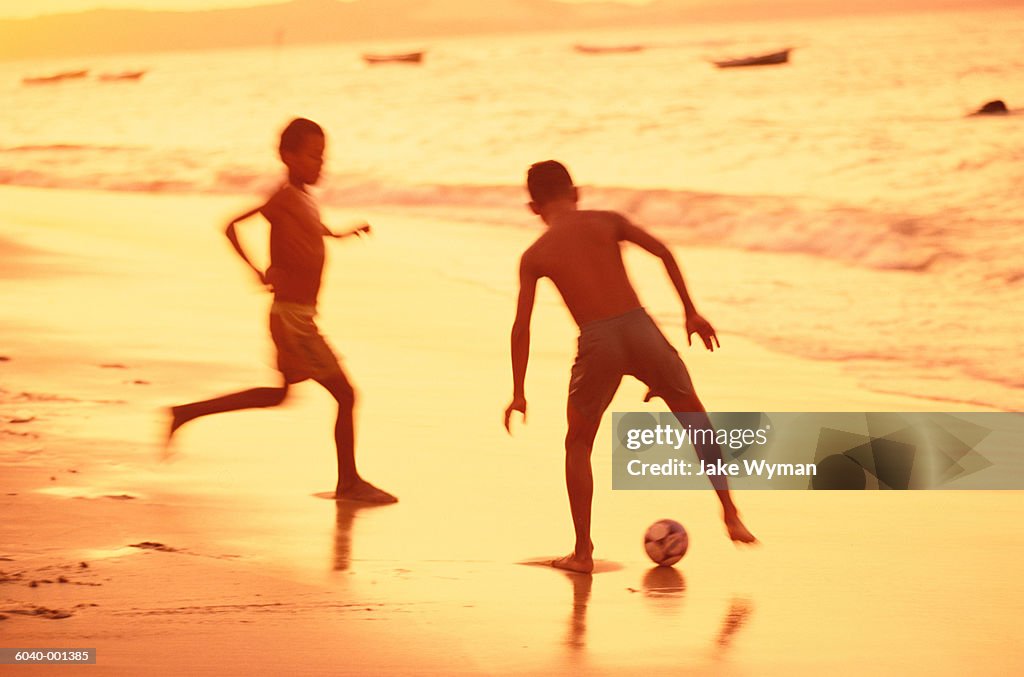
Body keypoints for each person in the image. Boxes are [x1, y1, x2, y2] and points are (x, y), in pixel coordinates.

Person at [504, 160, 755, 573]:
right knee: (695, 420)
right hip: (642, 332)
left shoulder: (535, 255)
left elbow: (521, 327)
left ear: (533, 207)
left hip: (598, 343)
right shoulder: (608, 220)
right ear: (577, 193)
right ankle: (730, 513)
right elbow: (663, 252)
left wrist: (518, 391)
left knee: (578, 445)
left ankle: (582, 552)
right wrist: (691, 312)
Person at [167, 118, 396, 504]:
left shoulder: (303, 197)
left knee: (279, 396)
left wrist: (340, 233)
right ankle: (349, 482)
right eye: (312, 156)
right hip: (293, 320)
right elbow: (231, 226)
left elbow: (312, 227)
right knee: (346, 394)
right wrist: (255, 269)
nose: (320, 164)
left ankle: (185, 412)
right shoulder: (284, 196)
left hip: (296, 316)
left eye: (323, 157)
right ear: (287, 156)